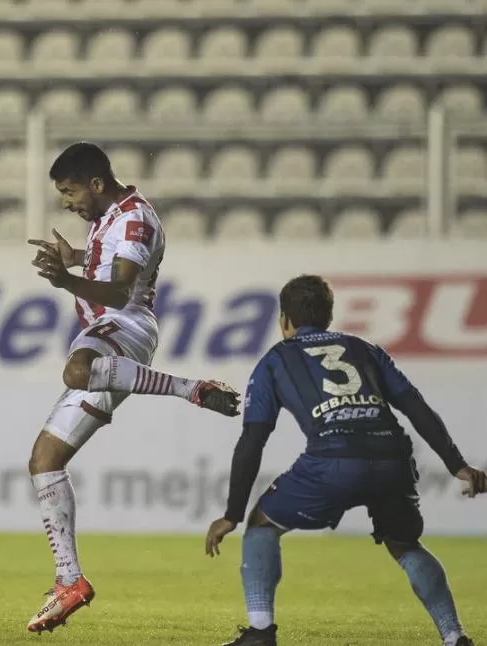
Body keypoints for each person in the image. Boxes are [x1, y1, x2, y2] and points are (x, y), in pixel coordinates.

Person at [26, 141, 241, 633]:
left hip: (125, 327)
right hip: (106, 333)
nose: (66, 201)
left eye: (69, 191)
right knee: (44, 461)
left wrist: (66, 280)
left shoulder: (136, 217)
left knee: (77, 370)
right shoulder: (111, 215)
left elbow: (123, 288)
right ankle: (69, 582)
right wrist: (77, 256)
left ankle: (189, 389)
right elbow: (112, 261)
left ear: (96, 184)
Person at [205, 274, 486, 646]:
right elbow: (415, 406)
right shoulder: (364, 348)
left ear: (285, 320)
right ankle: (455, 637)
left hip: (332, 461)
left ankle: (260, 633)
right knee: (405, 544)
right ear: (327, 316)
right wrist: (457, 465)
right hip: (392, 457)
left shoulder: (275, 360)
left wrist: (232, 513)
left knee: (261, 524)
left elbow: (253, 440)